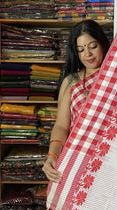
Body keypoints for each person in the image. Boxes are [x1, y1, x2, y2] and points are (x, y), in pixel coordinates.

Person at [42, 20, 110, 183]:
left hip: (111, 159)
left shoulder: (116, 78)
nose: (88, 54)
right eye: (81, 50)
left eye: (93, 46)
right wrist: (52, 155)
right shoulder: (72, 81)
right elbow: (62, 126)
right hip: (78, 158)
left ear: (102, 44)